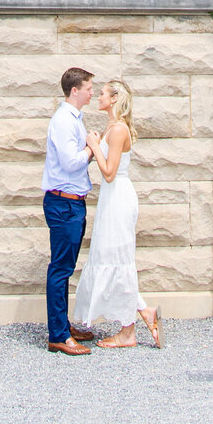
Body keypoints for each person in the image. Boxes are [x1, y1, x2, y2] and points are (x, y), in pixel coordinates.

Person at [72, 79, 162, 350]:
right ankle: (143, 314)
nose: (97, 97)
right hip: (112, 199)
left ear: (113, 99)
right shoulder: (112, 127)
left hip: (119, 197)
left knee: (119, 259)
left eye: (101, 94)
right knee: (108, 256)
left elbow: (109, 174)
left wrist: (94, 145)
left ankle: (128, 332)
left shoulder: (119, 128)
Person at [42, 66, 99, 356]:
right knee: (61, 269)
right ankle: (59, 336)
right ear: (74, 90)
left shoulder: (73, 119)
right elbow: (71, 162)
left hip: (71, 202)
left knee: (65, 268)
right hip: (63, 203)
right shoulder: (64, 121)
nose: (93, 93)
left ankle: (63, 326)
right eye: (89, 88)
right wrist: (92, 147)